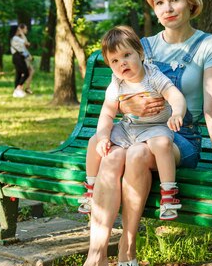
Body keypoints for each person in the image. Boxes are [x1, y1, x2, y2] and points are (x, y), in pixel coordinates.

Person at [62, 0, 212, 266]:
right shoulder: (142, 46)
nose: (168, 8)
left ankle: (126, 249)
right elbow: (120, 93)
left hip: (179, 140)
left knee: (136, 153)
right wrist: (125, 112)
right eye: (160, 2)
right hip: (137, 133)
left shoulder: (207, 44)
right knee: (115, 154)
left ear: (190, 2)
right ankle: (97, 259)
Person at [77, 26, 186, 222]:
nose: (122, 64)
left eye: (127, 55)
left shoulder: (153, 76)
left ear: (141, 53)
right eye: (115, 61)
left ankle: (168, 193)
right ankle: (92, 188)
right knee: (94, 141)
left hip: (155, 127)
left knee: (162, 144)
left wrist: (177, 112)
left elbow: (175, 96)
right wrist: (103, 136)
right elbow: (108, 112)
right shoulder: (117, 83)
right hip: (128, 128)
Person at [10, 24, 35, 98]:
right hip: (17, 57)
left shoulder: (15, 38)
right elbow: (26, 42)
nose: (19, 31)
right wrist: (22, 33)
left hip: (19, 57)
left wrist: (28, 56)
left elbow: (23, 49)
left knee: (18, 74)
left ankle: (16, 91)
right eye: (18, 30)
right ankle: (18, 88)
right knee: (26, 73)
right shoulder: (15, 38)